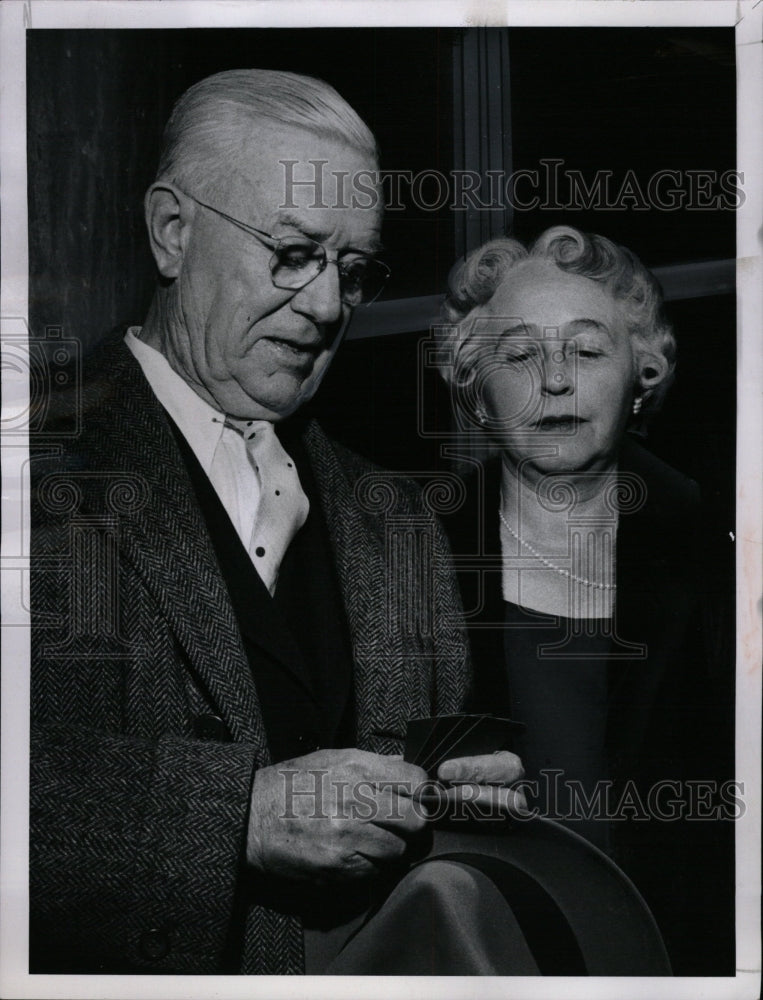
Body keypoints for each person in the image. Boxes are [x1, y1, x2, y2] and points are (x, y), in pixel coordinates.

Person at [29, 69, 530, 976]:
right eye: (293, 252)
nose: (329, 306)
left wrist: (467, 806)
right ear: (172, 232)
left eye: (353, 269)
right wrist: (236, 817)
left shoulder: (400, 518)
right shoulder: (31, 468)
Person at [436, 225, 735, 974]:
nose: (556, 381)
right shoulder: (412, 552)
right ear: (475, 390)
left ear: (643, 370)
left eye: (587, 349)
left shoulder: (725, 546)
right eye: (520, 355)